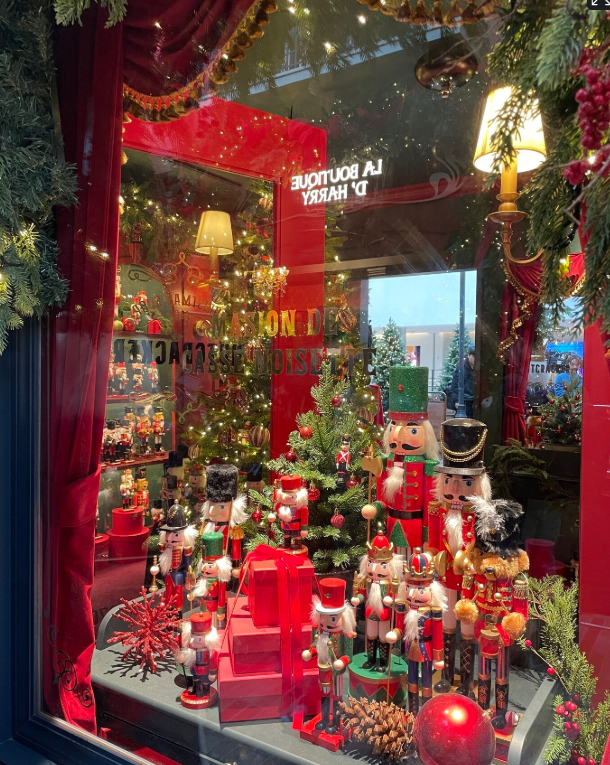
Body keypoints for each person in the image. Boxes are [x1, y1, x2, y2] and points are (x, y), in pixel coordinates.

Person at [449, 346, 475, 418]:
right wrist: (457, 400)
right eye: (473, 356)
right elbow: (455, 385)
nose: (475, 359)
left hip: (472, 399)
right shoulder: (462, 367)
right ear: (469, 355)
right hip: (465, 400)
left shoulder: (477, 367)